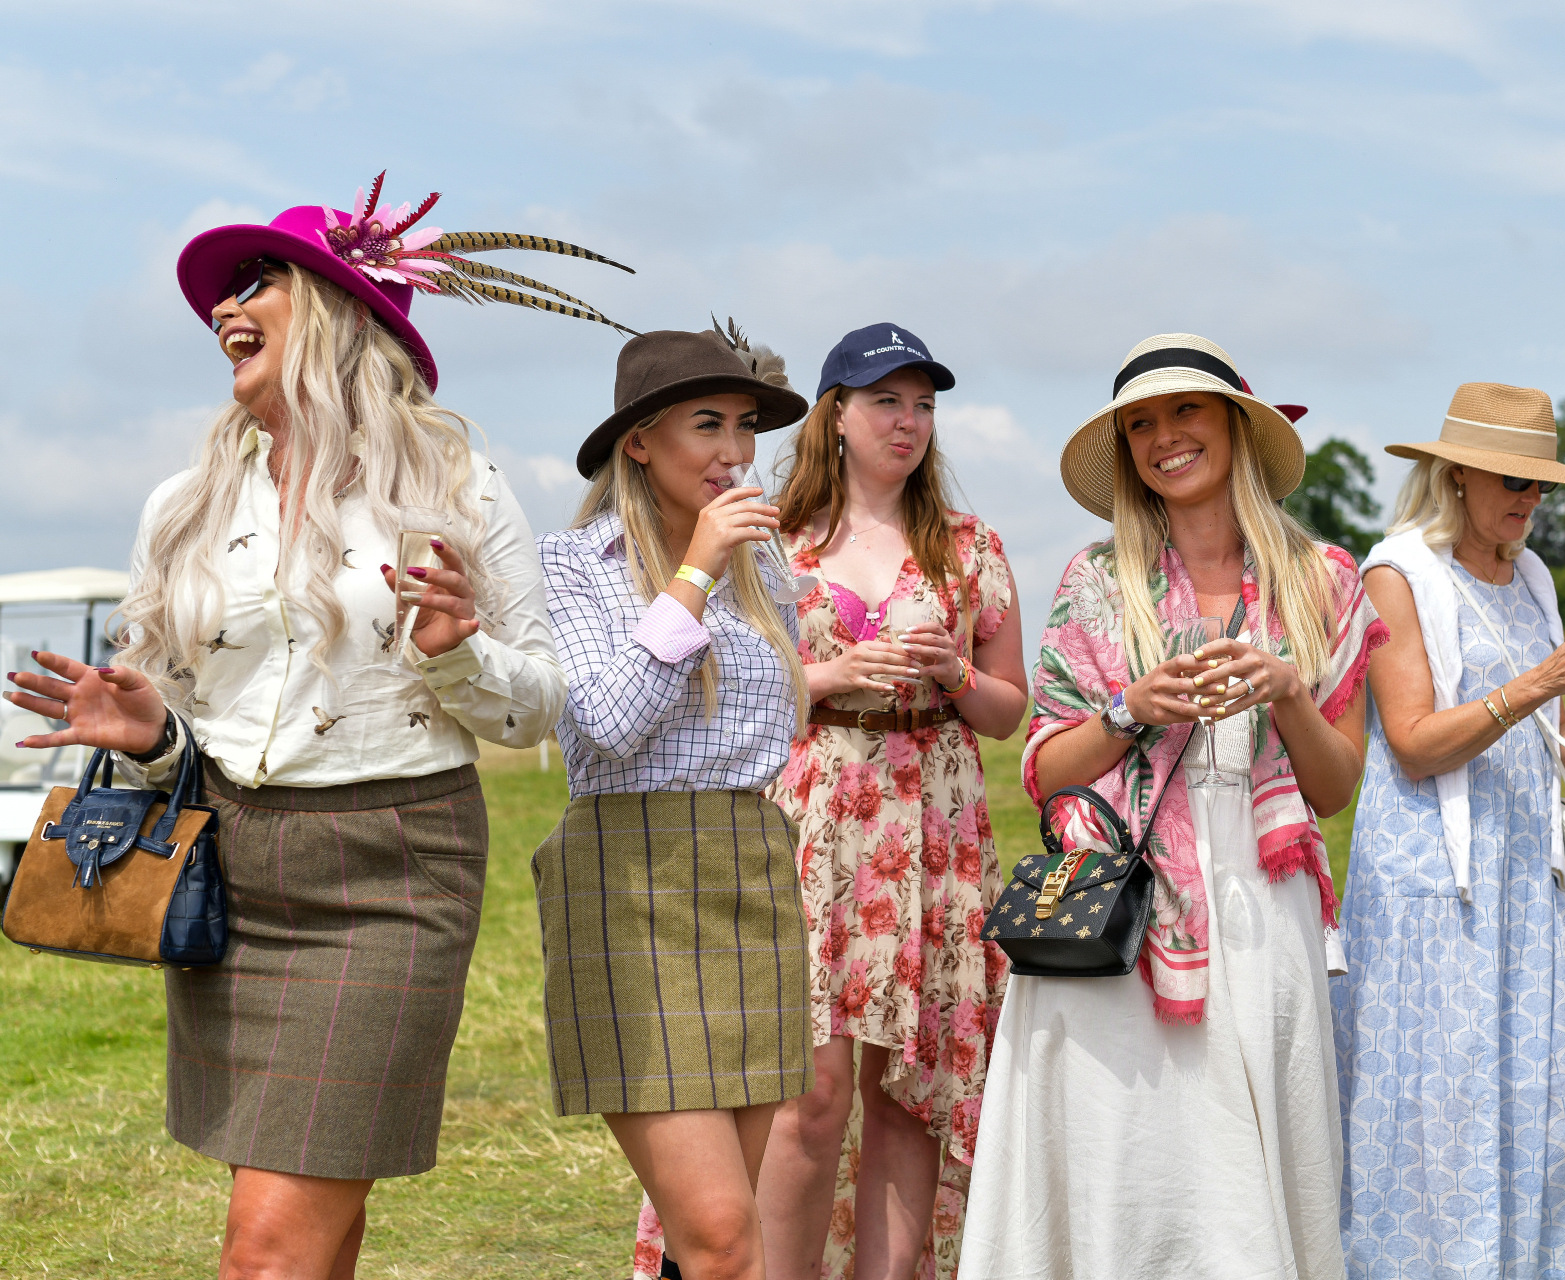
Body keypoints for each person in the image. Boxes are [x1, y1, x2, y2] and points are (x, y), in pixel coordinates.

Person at [2, 175, 620, 1278]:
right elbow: (187, 724)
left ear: (339, 311)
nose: (222, 308)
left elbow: (540, 702)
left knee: (266, 1247)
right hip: (233, 868)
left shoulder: (458, 483)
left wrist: (457, 652)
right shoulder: (180, 505)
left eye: (256, 281)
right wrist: (148, 734)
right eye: (221, 293)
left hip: (390, 872)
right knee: (310, 1233)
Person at [956, 333, 1383, 1280]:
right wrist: (1129, 710)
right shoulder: (1095, 581)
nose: (1164, 437)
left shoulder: (1322, 582)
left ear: (1234, 422)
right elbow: (1048, 773)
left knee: (1252, 1172)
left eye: (1184, 411)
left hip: (1264, 909)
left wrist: (1287, 691)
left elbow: (1334, 790)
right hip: (1125, 909)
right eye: (1140, 424)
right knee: (1132, 1166)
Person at [642, 322, 1027, 1280]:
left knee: (909, 1084)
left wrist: (953, 675)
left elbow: (1008, 712)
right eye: (887, 401)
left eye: (925, 404)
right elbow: (712, 687)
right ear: (836, 416)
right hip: (811, 812)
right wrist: (829, 671)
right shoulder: (769, 541)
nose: (909, 422)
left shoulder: (972, 548)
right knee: (806, 1088)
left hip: (932, 815)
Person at [1331, 381, 1565, 1278]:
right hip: (1432, 892)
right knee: (1443, 1111)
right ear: (1455, 474)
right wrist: (1545, 681)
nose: (1527, 499)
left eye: (1539, 484)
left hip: (1525, 883)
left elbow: (1536, 761)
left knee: (1555, 1106)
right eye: (1511, 479)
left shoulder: (1533, 575)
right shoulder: (1395, 574)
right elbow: (1419, 746)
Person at [541, 326, 816, 1280]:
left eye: (745, 427)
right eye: (709, 425)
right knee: (723, 1238)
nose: (736, 452)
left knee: (720, 1239)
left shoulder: (767, 569)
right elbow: (608, 723)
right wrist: (694, 573)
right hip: (629, 878)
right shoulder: (573, 563)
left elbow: (772, 726)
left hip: (749, 868)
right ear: (640, 441)